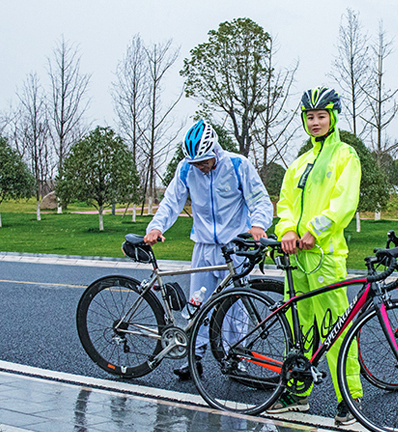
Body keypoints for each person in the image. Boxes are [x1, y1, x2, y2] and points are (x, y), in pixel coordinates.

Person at [144, 120, 273, 380]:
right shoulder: (186, 169)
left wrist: (258, 225)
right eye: (195, 163)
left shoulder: (238, 165)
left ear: (215, 150)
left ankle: (236, 357)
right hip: (203, 246)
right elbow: (171, 201)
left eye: (204, 161)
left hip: (235, 247)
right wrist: (156, 227)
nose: (200, 167)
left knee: (236, 307)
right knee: (197, 305)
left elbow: (260, 199)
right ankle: (194, 357)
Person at [266, 87, 363, 426]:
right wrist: (288, 231)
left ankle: (348, 400)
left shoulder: (345, 155)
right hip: (297, 259)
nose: (316, 122)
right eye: (310, 116)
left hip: (326, 256)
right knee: (299, 330)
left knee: (337, 329)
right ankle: (297, 393)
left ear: (333, 117)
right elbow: (286, 204)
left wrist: (315, 231)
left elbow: (343, 201)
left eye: (322, 115)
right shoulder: (299, 162)